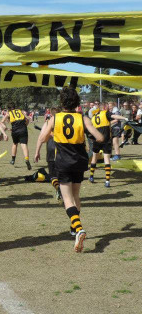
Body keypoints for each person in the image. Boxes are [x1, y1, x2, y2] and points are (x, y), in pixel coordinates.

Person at [34, 87, 103, 252]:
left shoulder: (55, 118)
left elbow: (42, 138)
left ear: (61, 102)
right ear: (77, 102)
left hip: (63, 162)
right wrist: (91, 140)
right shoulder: (83, 118)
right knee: (76, 195)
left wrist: (54, 133)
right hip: (80, 161)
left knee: (67, 199)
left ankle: (78, 228)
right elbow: (99, 137)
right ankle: (74, 228)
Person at [88, 106, 127, 188]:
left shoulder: (93, 118)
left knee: (94, 158)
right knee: (107, 160)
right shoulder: (104, 113)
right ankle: (107, 181)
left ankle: (91, 176)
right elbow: (114, 116)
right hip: (106, 140)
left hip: (97, 140)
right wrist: (124, 118)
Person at [34, 107, 62, 201]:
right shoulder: (65, 121)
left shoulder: (48, 122)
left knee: (52, 174)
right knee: (62, 173)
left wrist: (37, 152)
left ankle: (58, 188)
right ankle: (62, 189)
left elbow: (40, 138)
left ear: (50, 113)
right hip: (63, 149)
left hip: (51, 148)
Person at [2, 104, 31, 170]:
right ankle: (26, 159)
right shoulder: (21, 111)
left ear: (9, 109)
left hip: (15, 130)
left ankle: (13, 160)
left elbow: (2, 121)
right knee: (24, 145)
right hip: (23, 129)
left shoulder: (9, 113)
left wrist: (7, 129)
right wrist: (25, 125)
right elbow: (28, 119)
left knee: (15, 144)